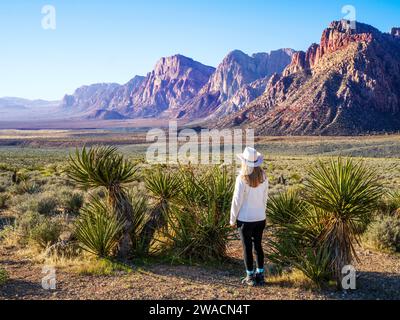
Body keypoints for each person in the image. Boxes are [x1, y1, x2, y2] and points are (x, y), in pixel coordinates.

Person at [230, 147, 269, 286]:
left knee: (247, 247)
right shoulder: (264, 177)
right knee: (258, 246)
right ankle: (261, 275)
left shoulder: (242, 179)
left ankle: (250, 276)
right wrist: (262, 213)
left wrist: (232, 218)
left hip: (245, 220)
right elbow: (265, 198)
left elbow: (237, 201)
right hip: (260, 218)